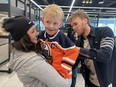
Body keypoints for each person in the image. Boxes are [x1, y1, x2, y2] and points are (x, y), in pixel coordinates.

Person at [0, 16, 72, 87]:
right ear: (24, 38)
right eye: (33, 31)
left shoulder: (20, 51)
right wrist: (69, 65)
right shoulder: (32, 62)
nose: (37, 33)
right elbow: (63, 85)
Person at [69, 9, 116, 87]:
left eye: (75, 24)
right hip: (90, 82)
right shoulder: (79, 43)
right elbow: (73, 63)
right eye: (72, 26)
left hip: (107, 82)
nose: (74, 28)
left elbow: (105, 55)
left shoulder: (105, 32)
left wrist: (78, 50)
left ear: (85, 21)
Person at [39, 4, 79, 82]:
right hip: (49, 72)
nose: (51, 26)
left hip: (61, 75)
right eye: (48, 22)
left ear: (60, 24)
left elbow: (74, 51)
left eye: (55, 23)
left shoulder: (62, 38)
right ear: (43, 21)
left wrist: (62, 71)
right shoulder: (41, 35)